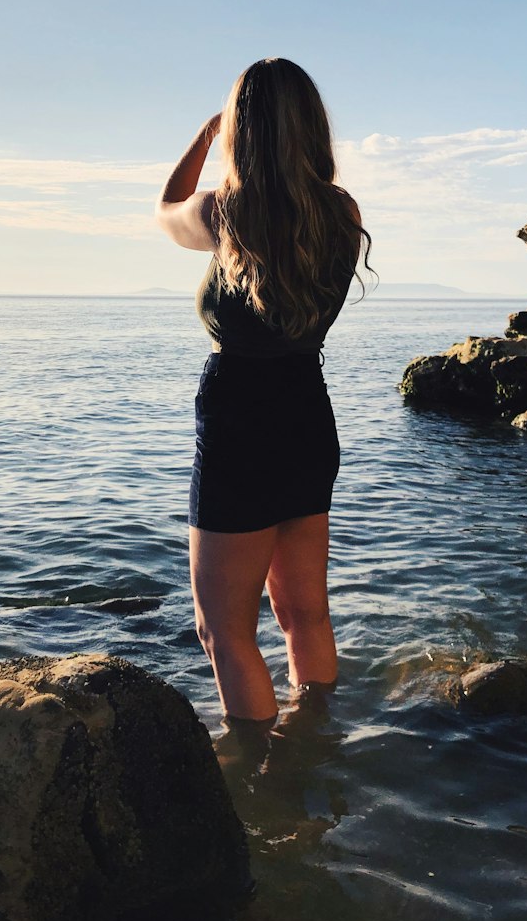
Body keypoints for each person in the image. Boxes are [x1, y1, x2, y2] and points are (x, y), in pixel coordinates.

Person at [155, 57, 372, 727]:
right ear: (311, 126)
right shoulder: (341, 213)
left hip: (239, 423)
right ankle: (317, 745)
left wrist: (200, 136)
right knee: (304, 612)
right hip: (308, 415)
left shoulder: (226, 212)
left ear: (239, 133)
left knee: (223, 629)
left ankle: (260, 784)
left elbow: (164, 213)